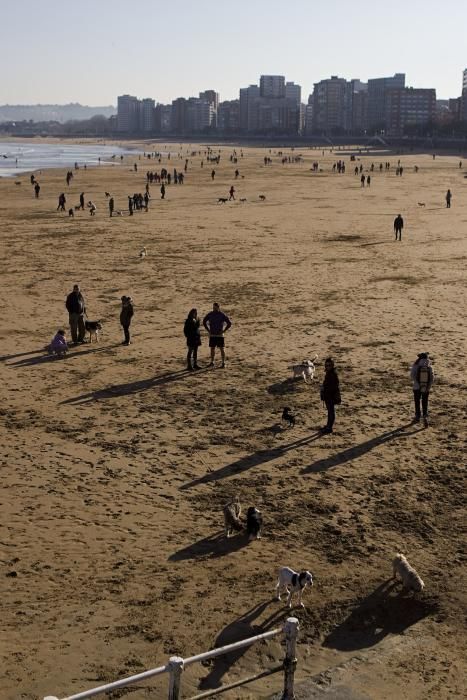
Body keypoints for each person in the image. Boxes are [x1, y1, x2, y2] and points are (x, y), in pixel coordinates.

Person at [203, 302, 232, 368]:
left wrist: (224, 330)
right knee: (212, 348)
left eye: (215, 308)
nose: (214, 309)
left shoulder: (222, 314)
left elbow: (229, 323)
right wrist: (208, 330)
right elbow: (204, 321)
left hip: (219, 335)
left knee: (222, 348)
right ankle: (212, 362)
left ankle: (223, 362)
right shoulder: (210, 314)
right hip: (212, 334)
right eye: (213, 308)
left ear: (218, 308)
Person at [410, 352, 434, 427]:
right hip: (426, 388)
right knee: (425, 402)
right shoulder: (429, 367)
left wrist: (417, 383)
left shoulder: (415, 365)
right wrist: (428, 387)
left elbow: (412, 376)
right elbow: (432, 378)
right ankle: (425, 417)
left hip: (416, 388)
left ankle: (417, 416)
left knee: (417, 402)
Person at [320, 357, 341, 434]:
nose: (327, 366)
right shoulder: (329, 373)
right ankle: (328, 425)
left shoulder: (333, 374)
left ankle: (329, 428)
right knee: (329, 411)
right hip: (328, 396)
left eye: (329, 365)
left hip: (331, 396)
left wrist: (325, 389)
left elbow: (335, 386)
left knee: (331, 412)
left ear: (332, 365)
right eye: (326, 365)